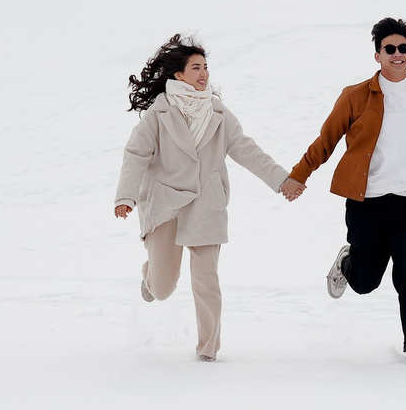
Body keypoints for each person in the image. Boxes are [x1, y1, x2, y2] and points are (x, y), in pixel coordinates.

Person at [287, 17, 406, 361]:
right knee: (366, 282)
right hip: (367, 202)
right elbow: (326, 141)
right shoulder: (355, 96)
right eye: (390, 49)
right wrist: (299, 175)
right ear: (377, 55)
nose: (398, 54)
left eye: (403, 48)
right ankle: (349, 262)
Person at [112, 33, 302, 361]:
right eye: (196, 67)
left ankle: (208, 352)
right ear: (178, 75)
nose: (204, 74)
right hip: (166, 203)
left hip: (206, 204)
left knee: (206, 282)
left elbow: (246, 149)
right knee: (163, 288)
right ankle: (149, 276)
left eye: (206, 67)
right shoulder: (159, 115)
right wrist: (125, 196)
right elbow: (136, 154)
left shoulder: (218, 113)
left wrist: (282, 180)